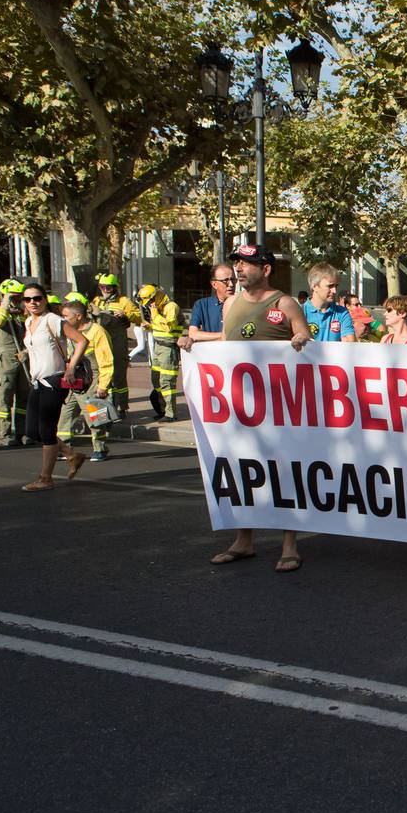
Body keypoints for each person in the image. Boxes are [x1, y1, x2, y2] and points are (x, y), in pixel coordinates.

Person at [210, 243, 313, 573]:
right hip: (240, 407)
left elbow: (305, 337)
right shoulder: (231, 305)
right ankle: (244, 539)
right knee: (242, 471)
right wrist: (193, 343)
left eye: (248, 264)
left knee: (283, 472)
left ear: (265, 269)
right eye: (238, 263)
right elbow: (226, 345)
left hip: (279, 407)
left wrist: (298, 341)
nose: (240, 269)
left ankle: (289, 543)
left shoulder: (285, 303)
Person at [19, 282, 90, 491]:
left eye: (37, 298)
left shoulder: (53, 319)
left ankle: (45, 478)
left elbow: (81, 341)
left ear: (45, 299)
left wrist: (71, 367)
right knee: (33, 431)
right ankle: (71, 454)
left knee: (47, 430)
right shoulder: (28, 322)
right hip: (37, 381)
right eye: (28, 299)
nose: (33, 302)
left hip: (54, 380)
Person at [56, 300, 115, 462]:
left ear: (79, 316)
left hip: (92, 379)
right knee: (65, 416)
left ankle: (100, 448)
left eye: (66, 316)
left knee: (95, 416)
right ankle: (65, 448)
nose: (63, 319)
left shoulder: (97, 331)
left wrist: (103, 385)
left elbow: (106, 361)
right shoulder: (67, 331)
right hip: (72, 379)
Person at [90, 273, 141, 420]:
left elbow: (138, 316)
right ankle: (105, 412)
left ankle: (122, 407)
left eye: (108, 287)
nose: (105, 289)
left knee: (119, 377)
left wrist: (125, 314)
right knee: (103, 377)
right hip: (101, 342)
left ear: (115, 287)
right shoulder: (96, 301)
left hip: (118, 343)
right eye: (102, 287)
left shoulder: (124, 301)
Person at [0, 278, 30, 446]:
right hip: (6, 358)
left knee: (24, 397)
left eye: (20, 297)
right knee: (5, 397)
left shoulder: (20, 313)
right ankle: (3, 434)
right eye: (16, 297)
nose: (19, 300)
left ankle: (23, 432)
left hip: (23, 357)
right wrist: (5, 302)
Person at [137, 284, 185, 421]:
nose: (150, 305)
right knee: (156, 380)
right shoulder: (158, 307)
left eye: (151, 301)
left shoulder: (171, 307)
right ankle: (162, 409)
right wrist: (150, 326)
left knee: (167, 382)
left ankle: (170, 414)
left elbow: (169, 327)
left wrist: (155, 315)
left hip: (168, 349)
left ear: (157, 296)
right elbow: (160, 327)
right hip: (158, 347)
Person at [181, 264, 235, 348]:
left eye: (233, 279)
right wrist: (224, 336)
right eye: (226, 281)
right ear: (214, 284)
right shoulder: (202, 305)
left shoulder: (243, 305)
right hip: (211, 356)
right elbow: (193, 334)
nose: (231, 284)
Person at [302, 262, 356, 342]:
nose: (334, 291)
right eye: (330, 286)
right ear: (314, 286)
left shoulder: (342, 313)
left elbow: (350, 345)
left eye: (336, 286)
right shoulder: (300, 311)